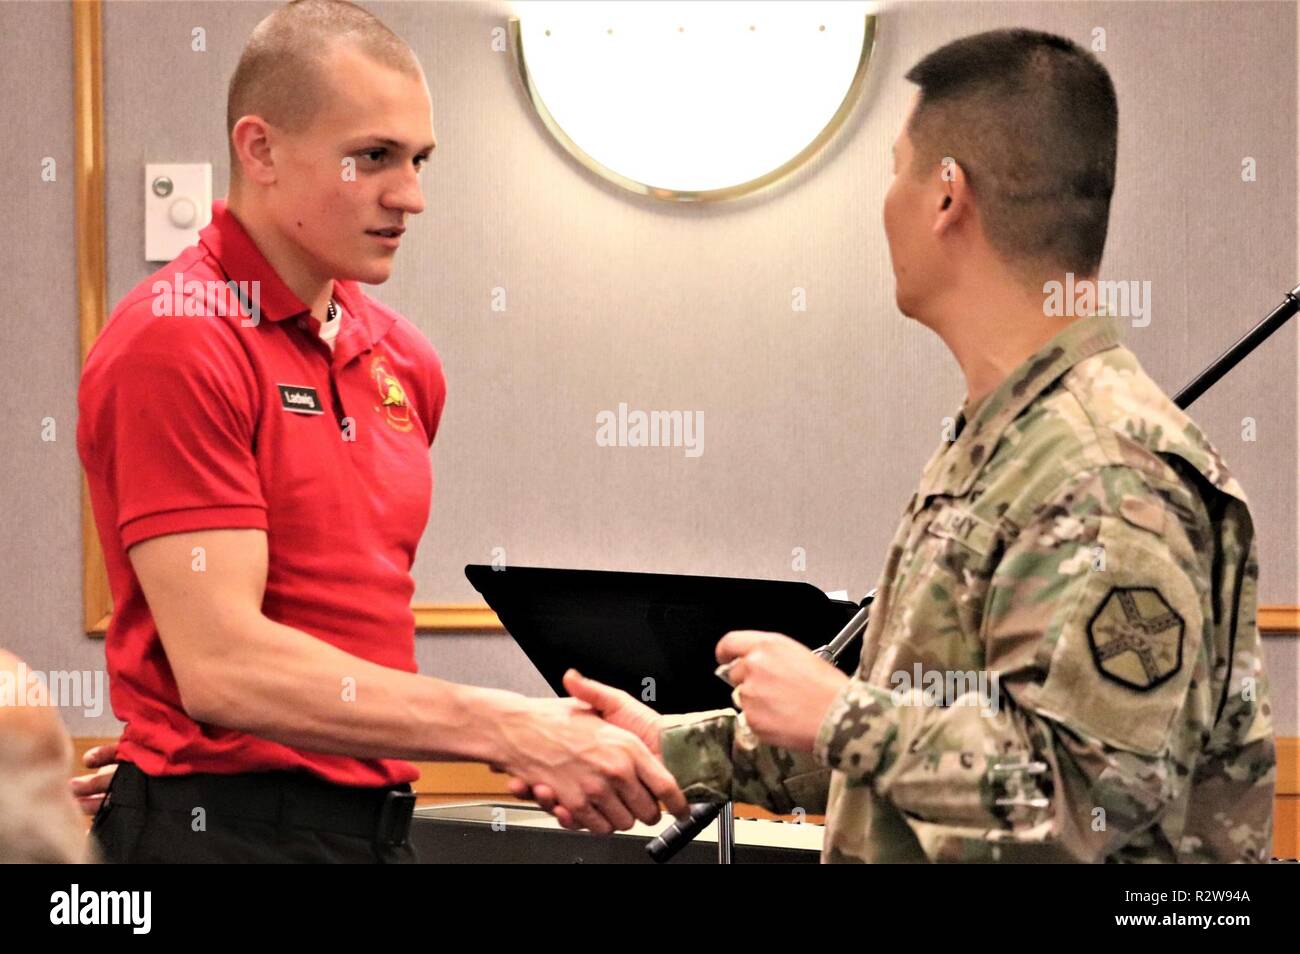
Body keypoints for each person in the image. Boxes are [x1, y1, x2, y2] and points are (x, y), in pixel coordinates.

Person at [511, 28, 1277, 863]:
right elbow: (925, 746)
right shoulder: (1004, 443)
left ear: (948, 194)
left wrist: (842, 711)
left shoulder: (1104, 468)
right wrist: (669, 747)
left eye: (894, 167)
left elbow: (1091, 799)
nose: (885, 202)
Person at [76, 0, 684, 863]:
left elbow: (343, 624)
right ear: (260, 150)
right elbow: (224, 668)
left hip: (375, 830)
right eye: (372, 158)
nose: (412, 196)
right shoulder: (177, 337)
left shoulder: (406, 361)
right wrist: (513, 726)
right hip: (221, 840)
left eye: (419, 159)